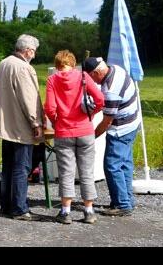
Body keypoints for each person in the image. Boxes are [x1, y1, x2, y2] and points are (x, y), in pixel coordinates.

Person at [45, 50, 104, 224]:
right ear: (73, 63)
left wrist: (56, 123)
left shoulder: (52, 80)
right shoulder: (84, 76)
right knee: (87, 172)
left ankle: (65, 212)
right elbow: (100, 99)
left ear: (57, 65)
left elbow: (50, 108)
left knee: (66, 172)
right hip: (85, 131)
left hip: (64, 132)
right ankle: (88, 211)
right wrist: (91, 116)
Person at [0, 34, 44, 220]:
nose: (34, 56)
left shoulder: (4, 62)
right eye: (34, 52)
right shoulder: (23, 68)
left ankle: (6, 205)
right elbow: (29, 99)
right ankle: (19, 208)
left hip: (6, 124)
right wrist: (36, 123)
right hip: (20, 126)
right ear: (28, 50)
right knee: (22, 167)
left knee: (9, 167)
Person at [83, 56, 141, 217]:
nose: (91, 81)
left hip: (120, 128)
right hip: (132, 123)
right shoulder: (116, 68)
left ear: (96, 73)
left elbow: (106, 122)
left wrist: (91, 137)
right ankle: (126, 199)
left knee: (112, 165)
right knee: (124, 164)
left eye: (90, 77)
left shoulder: (110, 90)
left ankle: (122, 205)